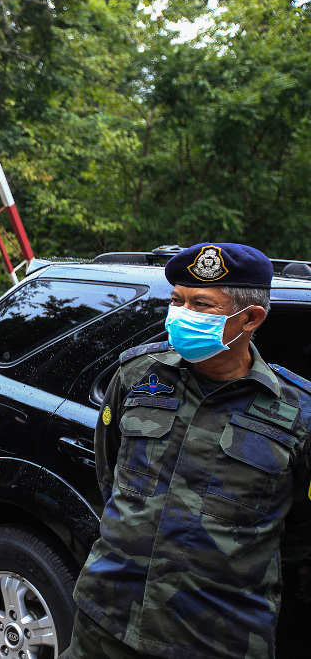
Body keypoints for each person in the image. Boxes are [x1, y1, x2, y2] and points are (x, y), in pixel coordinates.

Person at [62, 242, 311, 659]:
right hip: (105, 621)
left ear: (250, 318)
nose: (181, 314)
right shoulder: (137, 374)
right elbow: (111, 477)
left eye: (201, 304)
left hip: (215, 639)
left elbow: (299, 533)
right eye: (177, 300)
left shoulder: (298, 413)